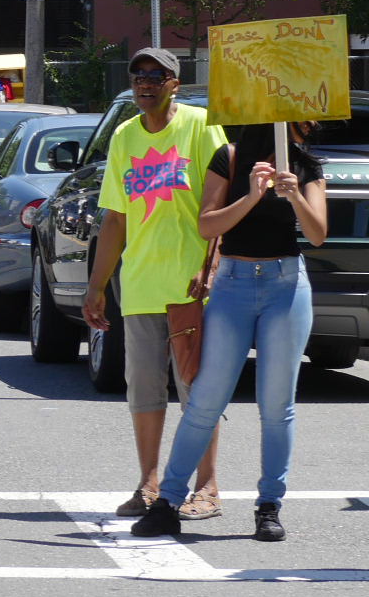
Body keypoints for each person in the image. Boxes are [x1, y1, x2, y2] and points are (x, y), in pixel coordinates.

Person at [134, 122, 324, 542]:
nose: (307, 126)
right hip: (234, 283)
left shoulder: (306, 167)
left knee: (277, 406)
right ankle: (167, 502)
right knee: (204, 400)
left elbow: (317, 233)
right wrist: (252, 195)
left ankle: (269, 505)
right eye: (301, 119)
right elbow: (208, 224)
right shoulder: (231, 157)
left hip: (286, 284)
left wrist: (293, 195)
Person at [83, 46, 226, 520]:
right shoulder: (124, 136)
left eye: (156, 75)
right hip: (141, 284)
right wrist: (97, 285)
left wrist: (211, 266)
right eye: (138, 73)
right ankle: (149, 484)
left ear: (174, 84)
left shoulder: (202, 126)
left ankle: (206, 488)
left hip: (190, 286)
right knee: (143, 391)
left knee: (197, 392)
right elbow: (115, 219)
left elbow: (221, 206)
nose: (145, 81)